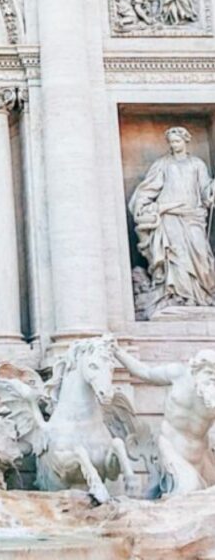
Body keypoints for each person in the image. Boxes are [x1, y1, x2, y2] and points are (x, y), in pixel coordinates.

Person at [129, 126, 215, 315]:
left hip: (193, 216)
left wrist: (212, 192)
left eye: (177, 141)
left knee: (200, 253)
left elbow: (206, 191)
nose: (174, 145)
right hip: (169, 215)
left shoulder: (197, 164)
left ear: (186, 141)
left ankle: (202, 295)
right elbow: (148, 189)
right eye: (171, 142)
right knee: (176, 256)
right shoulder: (162, 164)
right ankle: (179, 297)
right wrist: (144, 206)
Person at [114, 343, 215, 494]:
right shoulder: (178, 374)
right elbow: (145, 372)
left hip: (202, 456)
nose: (212, 378)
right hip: (171, 449)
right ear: (196, 370)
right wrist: (117, 352)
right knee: (190, 490)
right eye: (209, 372)